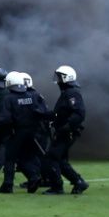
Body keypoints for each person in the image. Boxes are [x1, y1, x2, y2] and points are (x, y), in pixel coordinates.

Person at [0, 72, 50, 194]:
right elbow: (41, 112)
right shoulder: (32, 96)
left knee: (10, 158)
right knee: (26, 157)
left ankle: (8, 185)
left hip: (16, 133)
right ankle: (33, 178)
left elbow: (4, 118)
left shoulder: (9, 98)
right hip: (32, 133)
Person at [46, 65, 88, 194]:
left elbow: (79, 113)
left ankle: (57, 187)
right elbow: (62, 112)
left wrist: (67, 126)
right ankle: (79, 182)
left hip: (67, 132)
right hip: (64, 131)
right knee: (60, 160)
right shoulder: (67, 93)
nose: (57, 80)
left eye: (59, 77)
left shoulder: (72, 93)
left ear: (66, 78)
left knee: (51, 157)